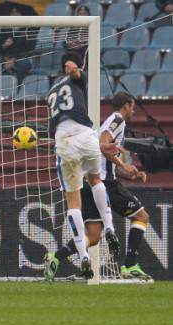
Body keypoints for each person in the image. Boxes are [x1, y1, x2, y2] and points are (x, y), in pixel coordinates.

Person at [44, 92, 152, 281]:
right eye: (132, 107)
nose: (133, 111)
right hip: (103, 183)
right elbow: (103, 144)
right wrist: (124, 164)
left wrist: (130, 174)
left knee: (93, 236)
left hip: (91, 180)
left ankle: (55, 257)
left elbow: (103, 156)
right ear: (126, 106)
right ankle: (130, 265)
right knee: (142, 217)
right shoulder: (117, 120)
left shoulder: (111, 122)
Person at [47, 51, 119, 279]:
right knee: (95, 179)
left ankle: (83, 255)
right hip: (87, 134)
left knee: (73, 201)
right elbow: (78, 74)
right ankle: (109, 227)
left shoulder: (50, 91)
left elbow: (52, 126)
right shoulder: (77, 77)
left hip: (65, 140)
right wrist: (76, 69)